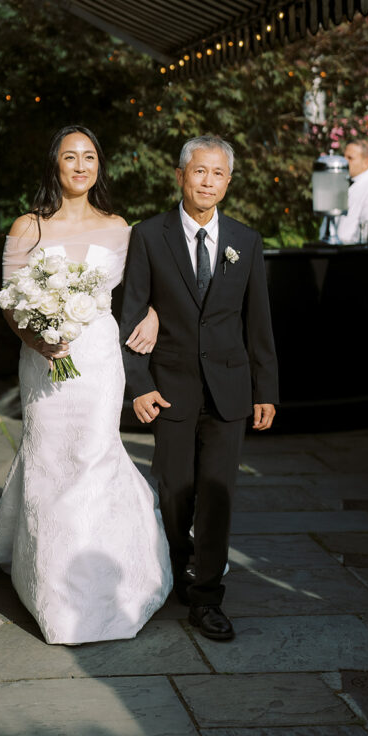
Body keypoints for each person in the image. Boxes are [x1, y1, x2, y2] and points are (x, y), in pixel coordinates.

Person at [0, 125, 172, 645]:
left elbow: (142, 289)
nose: (80, 166)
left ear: (99, 164)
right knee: (50, 457)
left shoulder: (120, 227)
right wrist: (36, 339)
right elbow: (11, 302)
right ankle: (53, 589)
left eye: (89, 156)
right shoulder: (27, 228)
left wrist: (151, 313)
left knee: (97, 454)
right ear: (53, 165)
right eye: (69, 157)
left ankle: (106, 581)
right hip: (43, 361)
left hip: (99, 359)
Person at [120, 135, 279, 642]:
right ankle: (179, 565)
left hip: (231, 391)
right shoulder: (148, 236)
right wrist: (139, 386)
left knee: (218, 495)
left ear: (228, 183)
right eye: (199, 172)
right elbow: (131, 314)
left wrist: (266, 390)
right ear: (181, 176)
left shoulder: (247, 241)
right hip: (170, 388)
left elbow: (260, 324)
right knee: (174, 491)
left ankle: (207, 596)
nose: (207, 182)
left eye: (217, 174)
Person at [321, 139, 368, 246]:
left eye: (350, 158)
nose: (344, 161)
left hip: (355, 254)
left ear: (366, 162)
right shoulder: (340, 184)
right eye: (344, 156)